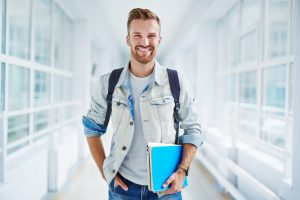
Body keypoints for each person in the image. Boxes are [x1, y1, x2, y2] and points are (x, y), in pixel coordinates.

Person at [82, 8, 203, 200]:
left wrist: (182, 171)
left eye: (151, 36)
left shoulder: (177, 82)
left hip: (166, 188)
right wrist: (105, 171)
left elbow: (193, 129)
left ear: (159, 40)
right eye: (137, 35)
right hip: (123, 189)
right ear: (128, 39)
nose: (145, 42)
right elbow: (91, 129)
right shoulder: (108, 83)